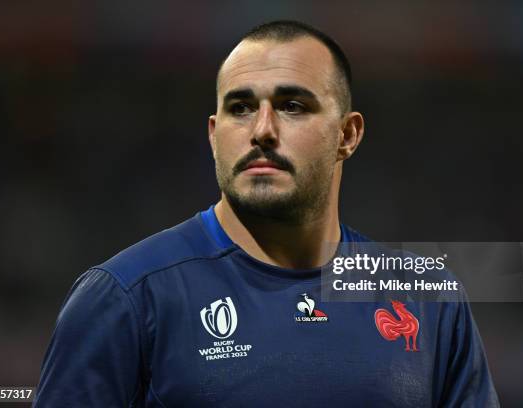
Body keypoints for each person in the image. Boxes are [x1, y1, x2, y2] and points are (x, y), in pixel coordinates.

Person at [33, 20, 499, 407]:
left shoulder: (427, 301)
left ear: (347, 135)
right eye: (240, 108)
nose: (262, 130)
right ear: (215, 135)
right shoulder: (125, 298)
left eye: (292, 106)